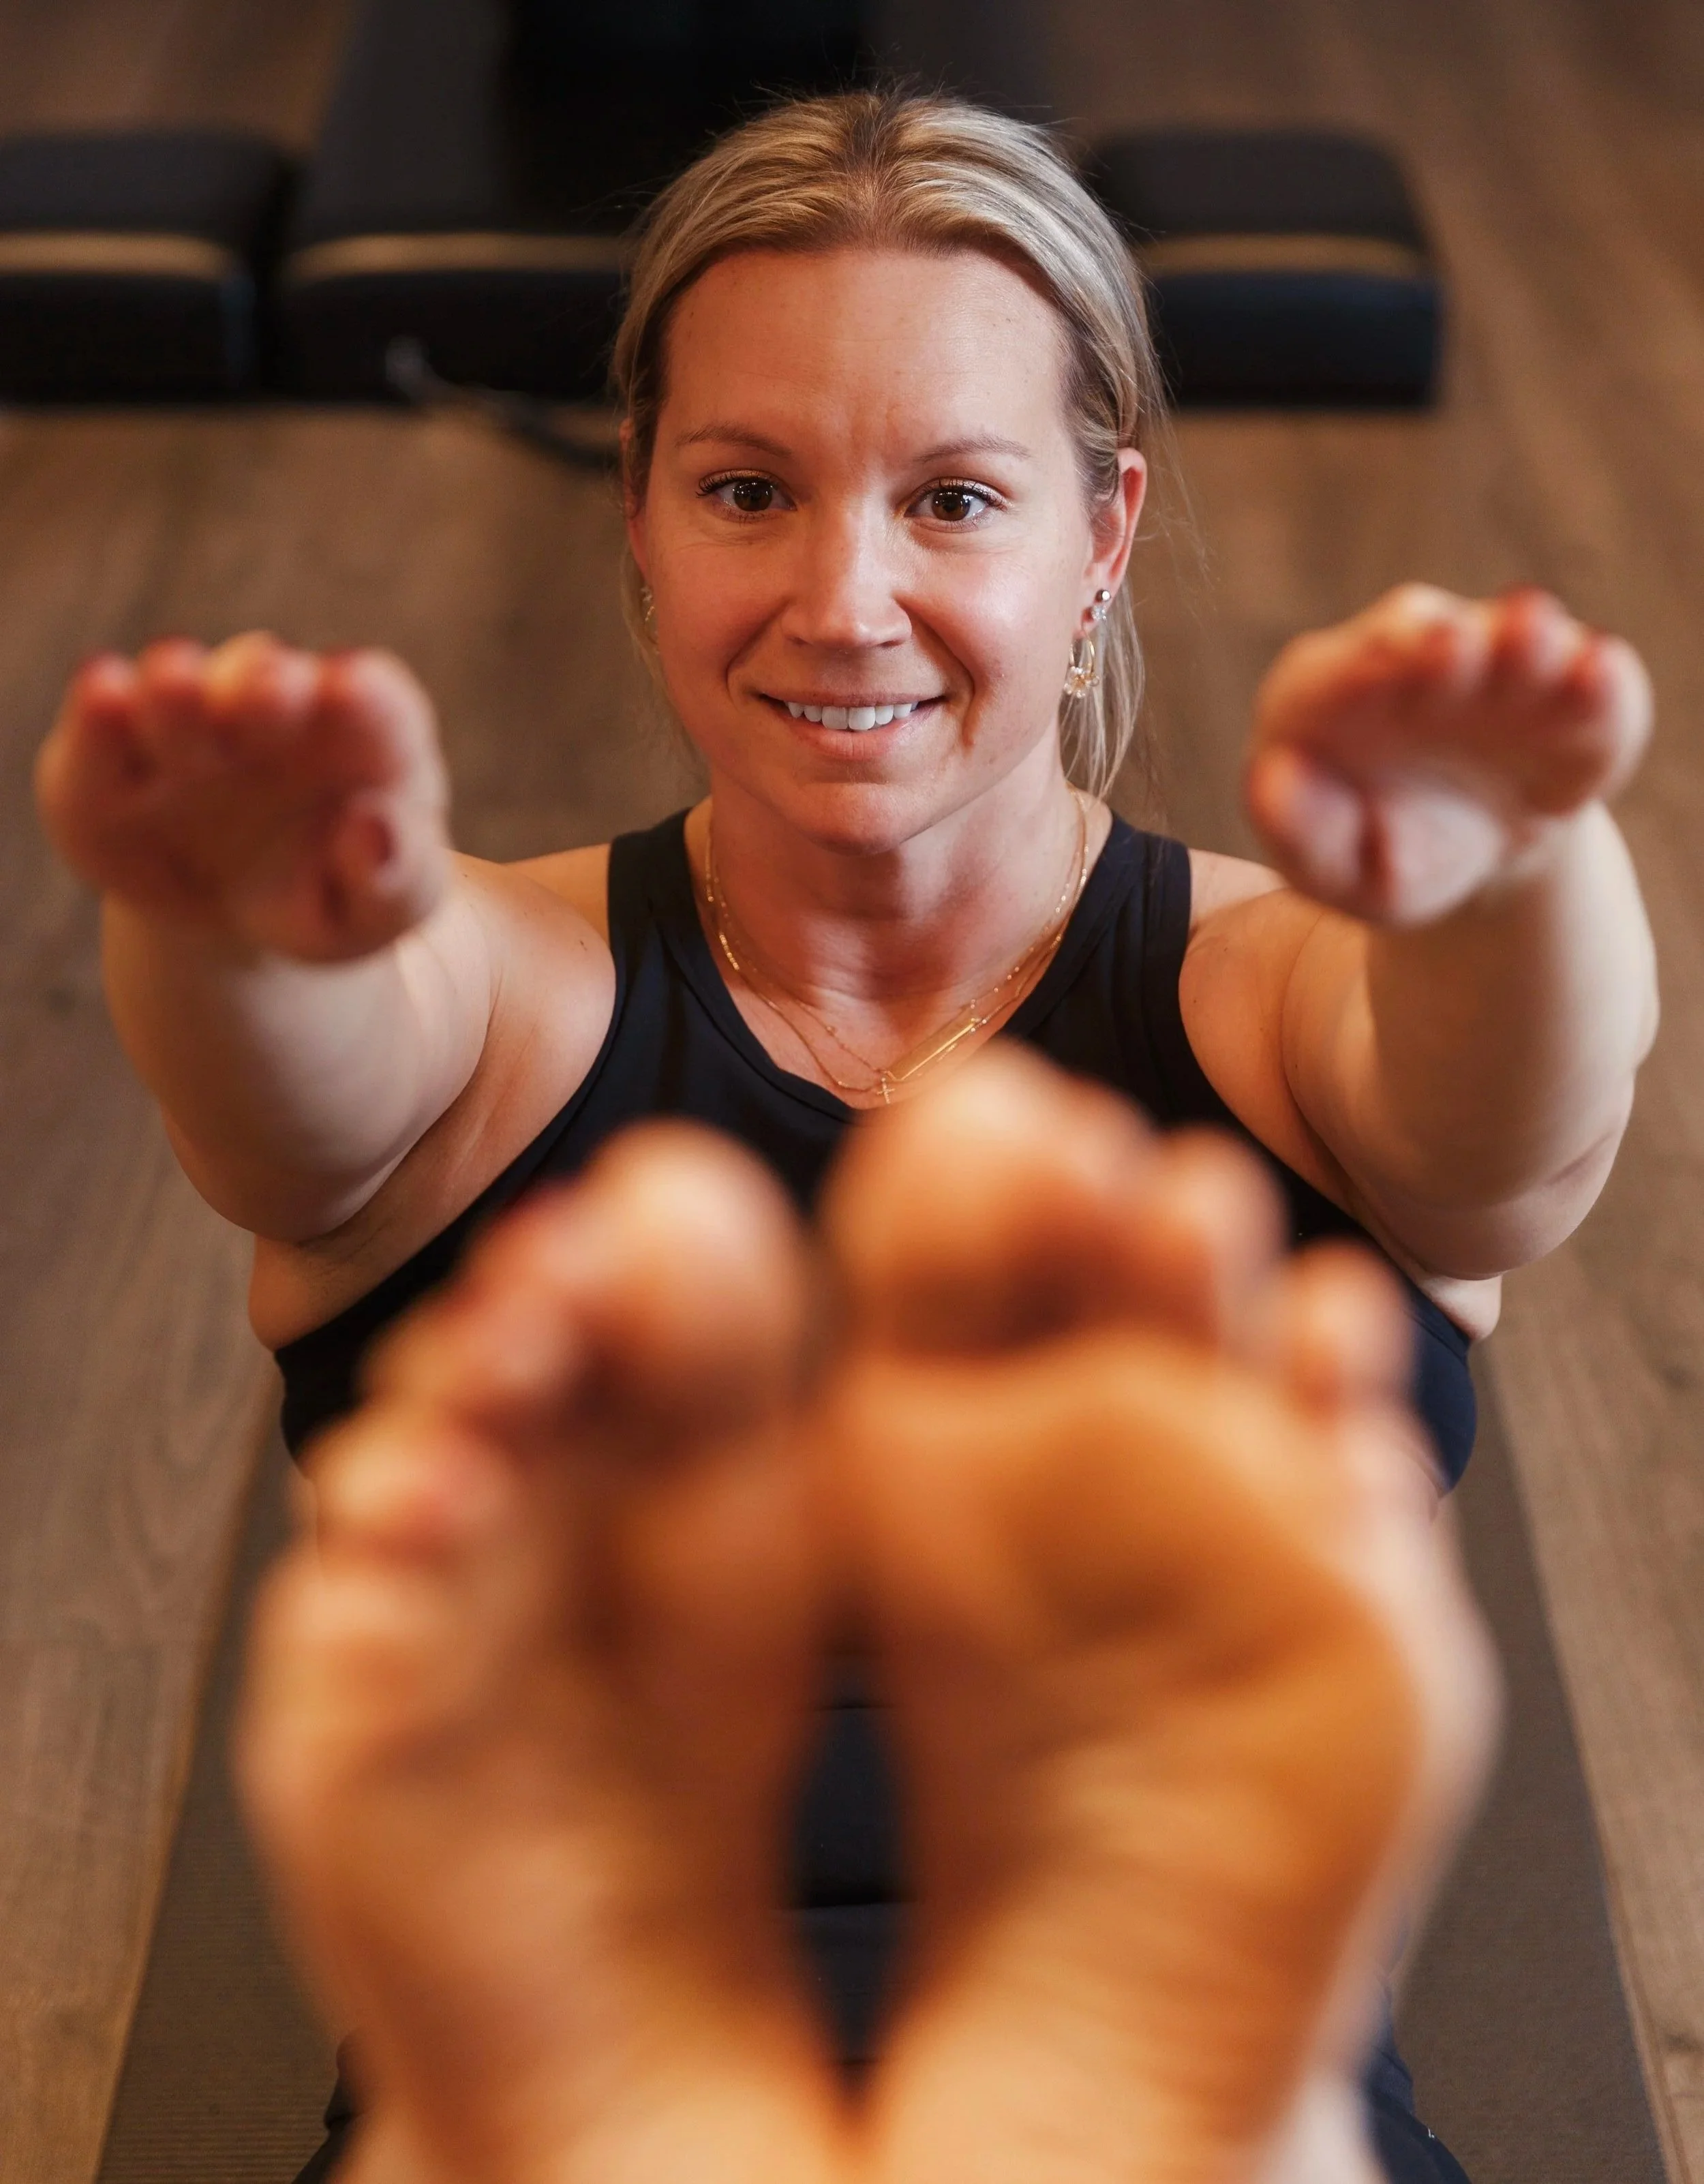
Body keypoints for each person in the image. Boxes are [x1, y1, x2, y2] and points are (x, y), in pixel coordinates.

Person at [35, 87, 1654, 2181]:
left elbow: (1503, 1124)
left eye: (954, 500)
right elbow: (293, 1092)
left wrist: (1508, 866)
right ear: (636, 506)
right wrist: (233, 919)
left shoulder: (1270, 1000)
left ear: (1105, 534)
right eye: (747, 489)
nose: (843, 596)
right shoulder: (500, 990)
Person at [237, 1050, 1501, 2184]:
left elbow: (1514, 1121)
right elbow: (298, 1041)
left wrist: (1510, 847)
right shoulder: (518, 965)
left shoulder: (1256, 966)